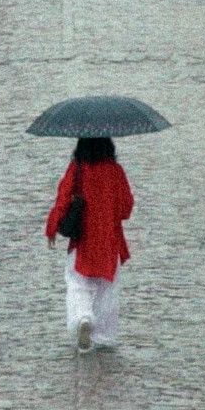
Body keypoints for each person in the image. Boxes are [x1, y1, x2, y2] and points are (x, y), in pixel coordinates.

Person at [45, 136, 135, 352]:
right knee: (106, 292)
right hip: (108, 241)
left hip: (82, 240)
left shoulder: (76, 169)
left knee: (78, 285)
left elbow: (63, 199)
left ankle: (83, 318)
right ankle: (102, 339)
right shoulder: (116, 171)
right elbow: (126, 209)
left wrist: (51, 228)